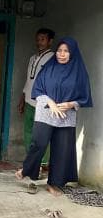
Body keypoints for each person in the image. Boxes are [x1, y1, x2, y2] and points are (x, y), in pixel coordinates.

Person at [15, 37, 92, 196]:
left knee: (61, 150)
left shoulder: (79, 73)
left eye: (65, 51)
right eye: (59, 50)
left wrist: (71, 104)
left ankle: (53, 183)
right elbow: (38, 90)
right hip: (46, 112)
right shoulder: (48, 68)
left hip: (66, 116)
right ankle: (27, 170)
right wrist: (51, 103)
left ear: (72, 53)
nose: (61, 54)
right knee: (39, 143)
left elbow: (84, 97)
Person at [18, 28, 55, 169]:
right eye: (38, 39)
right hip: (29, 101)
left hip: (44, 103)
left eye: (43, 39)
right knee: (28, 133)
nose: (39, 42)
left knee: (42, 134)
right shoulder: (32, 58)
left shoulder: (53, 59)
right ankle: (32, 161)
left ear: (50, 41)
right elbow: (28, 80)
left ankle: (43, 163)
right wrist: (22, 98)